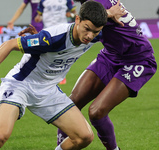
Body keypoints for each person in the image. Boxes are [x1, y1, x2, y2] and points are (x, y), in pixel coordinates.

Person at [0, 1, 108, 149]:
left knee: (85, 137)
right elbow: (9, 45)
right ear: (77, 20)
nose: (90, 36)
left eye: (95, 32)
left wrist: (112, 13)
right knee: (0, 136)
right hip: (21, 84)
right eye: (87, 29)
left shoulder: (97, 34)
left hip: (48, 91)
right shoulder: (52, 37)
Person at [56, 0, 157, 150]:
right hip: (111, 55)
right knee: (70, 105)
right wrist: (108, 14)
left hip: (138, 59)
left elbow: (78, 32)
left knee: (97, 112)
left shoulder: (98, 3)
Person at [35, 0, 77, 84]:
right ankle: (43, 76)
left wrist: (71, 14)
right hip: (47, 31)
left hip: (62, 31)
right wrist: (38, 17)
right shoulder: (43, 1)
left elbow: (74, 13)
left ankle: (61, 76)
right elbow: (39, 14)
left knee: (61, 54)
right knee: (45, 54)